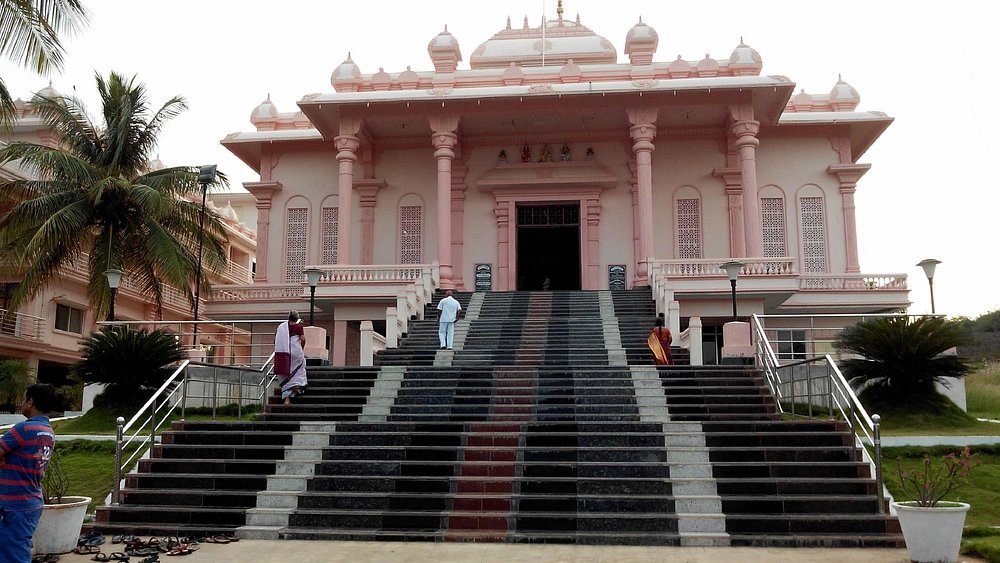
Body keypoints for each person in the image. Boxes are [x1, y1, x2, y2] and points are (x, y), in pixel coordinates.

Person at [0, 383, 56, 563]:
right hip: (30, 502)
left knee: (13, 554)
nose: (22, 402)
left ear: (30, 402)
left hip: (15, 505)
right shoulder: (48, 431)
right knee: (15, 549)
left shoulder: (23, 429)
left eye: (24, 399)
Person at [274, 310, 307, 405]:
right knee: (299, 369)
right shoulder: (299, 327)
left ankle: (286, 399)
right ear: (297, 318)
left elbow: (276, 340)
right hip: (296, 351)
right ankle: (297, 386)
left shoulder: (282, 328)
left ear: (289, 318)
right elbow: (303, 339)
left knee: (285, 374)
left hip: (284, 352)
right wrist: (302, 348)